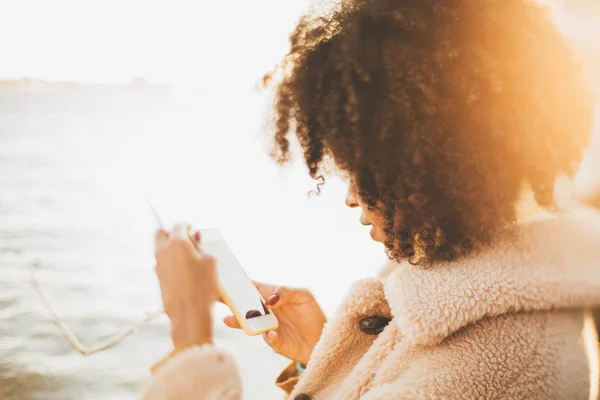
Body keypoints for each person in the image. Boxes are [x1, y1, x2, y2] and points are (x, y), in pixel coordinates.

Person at [141, 0, 600, 399]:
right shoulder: (467, 285)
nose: (350, 197)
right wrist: (322, 355)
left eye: (365, 173)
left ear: (440, 162)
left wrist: (191, 340)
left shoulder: (505, 359)